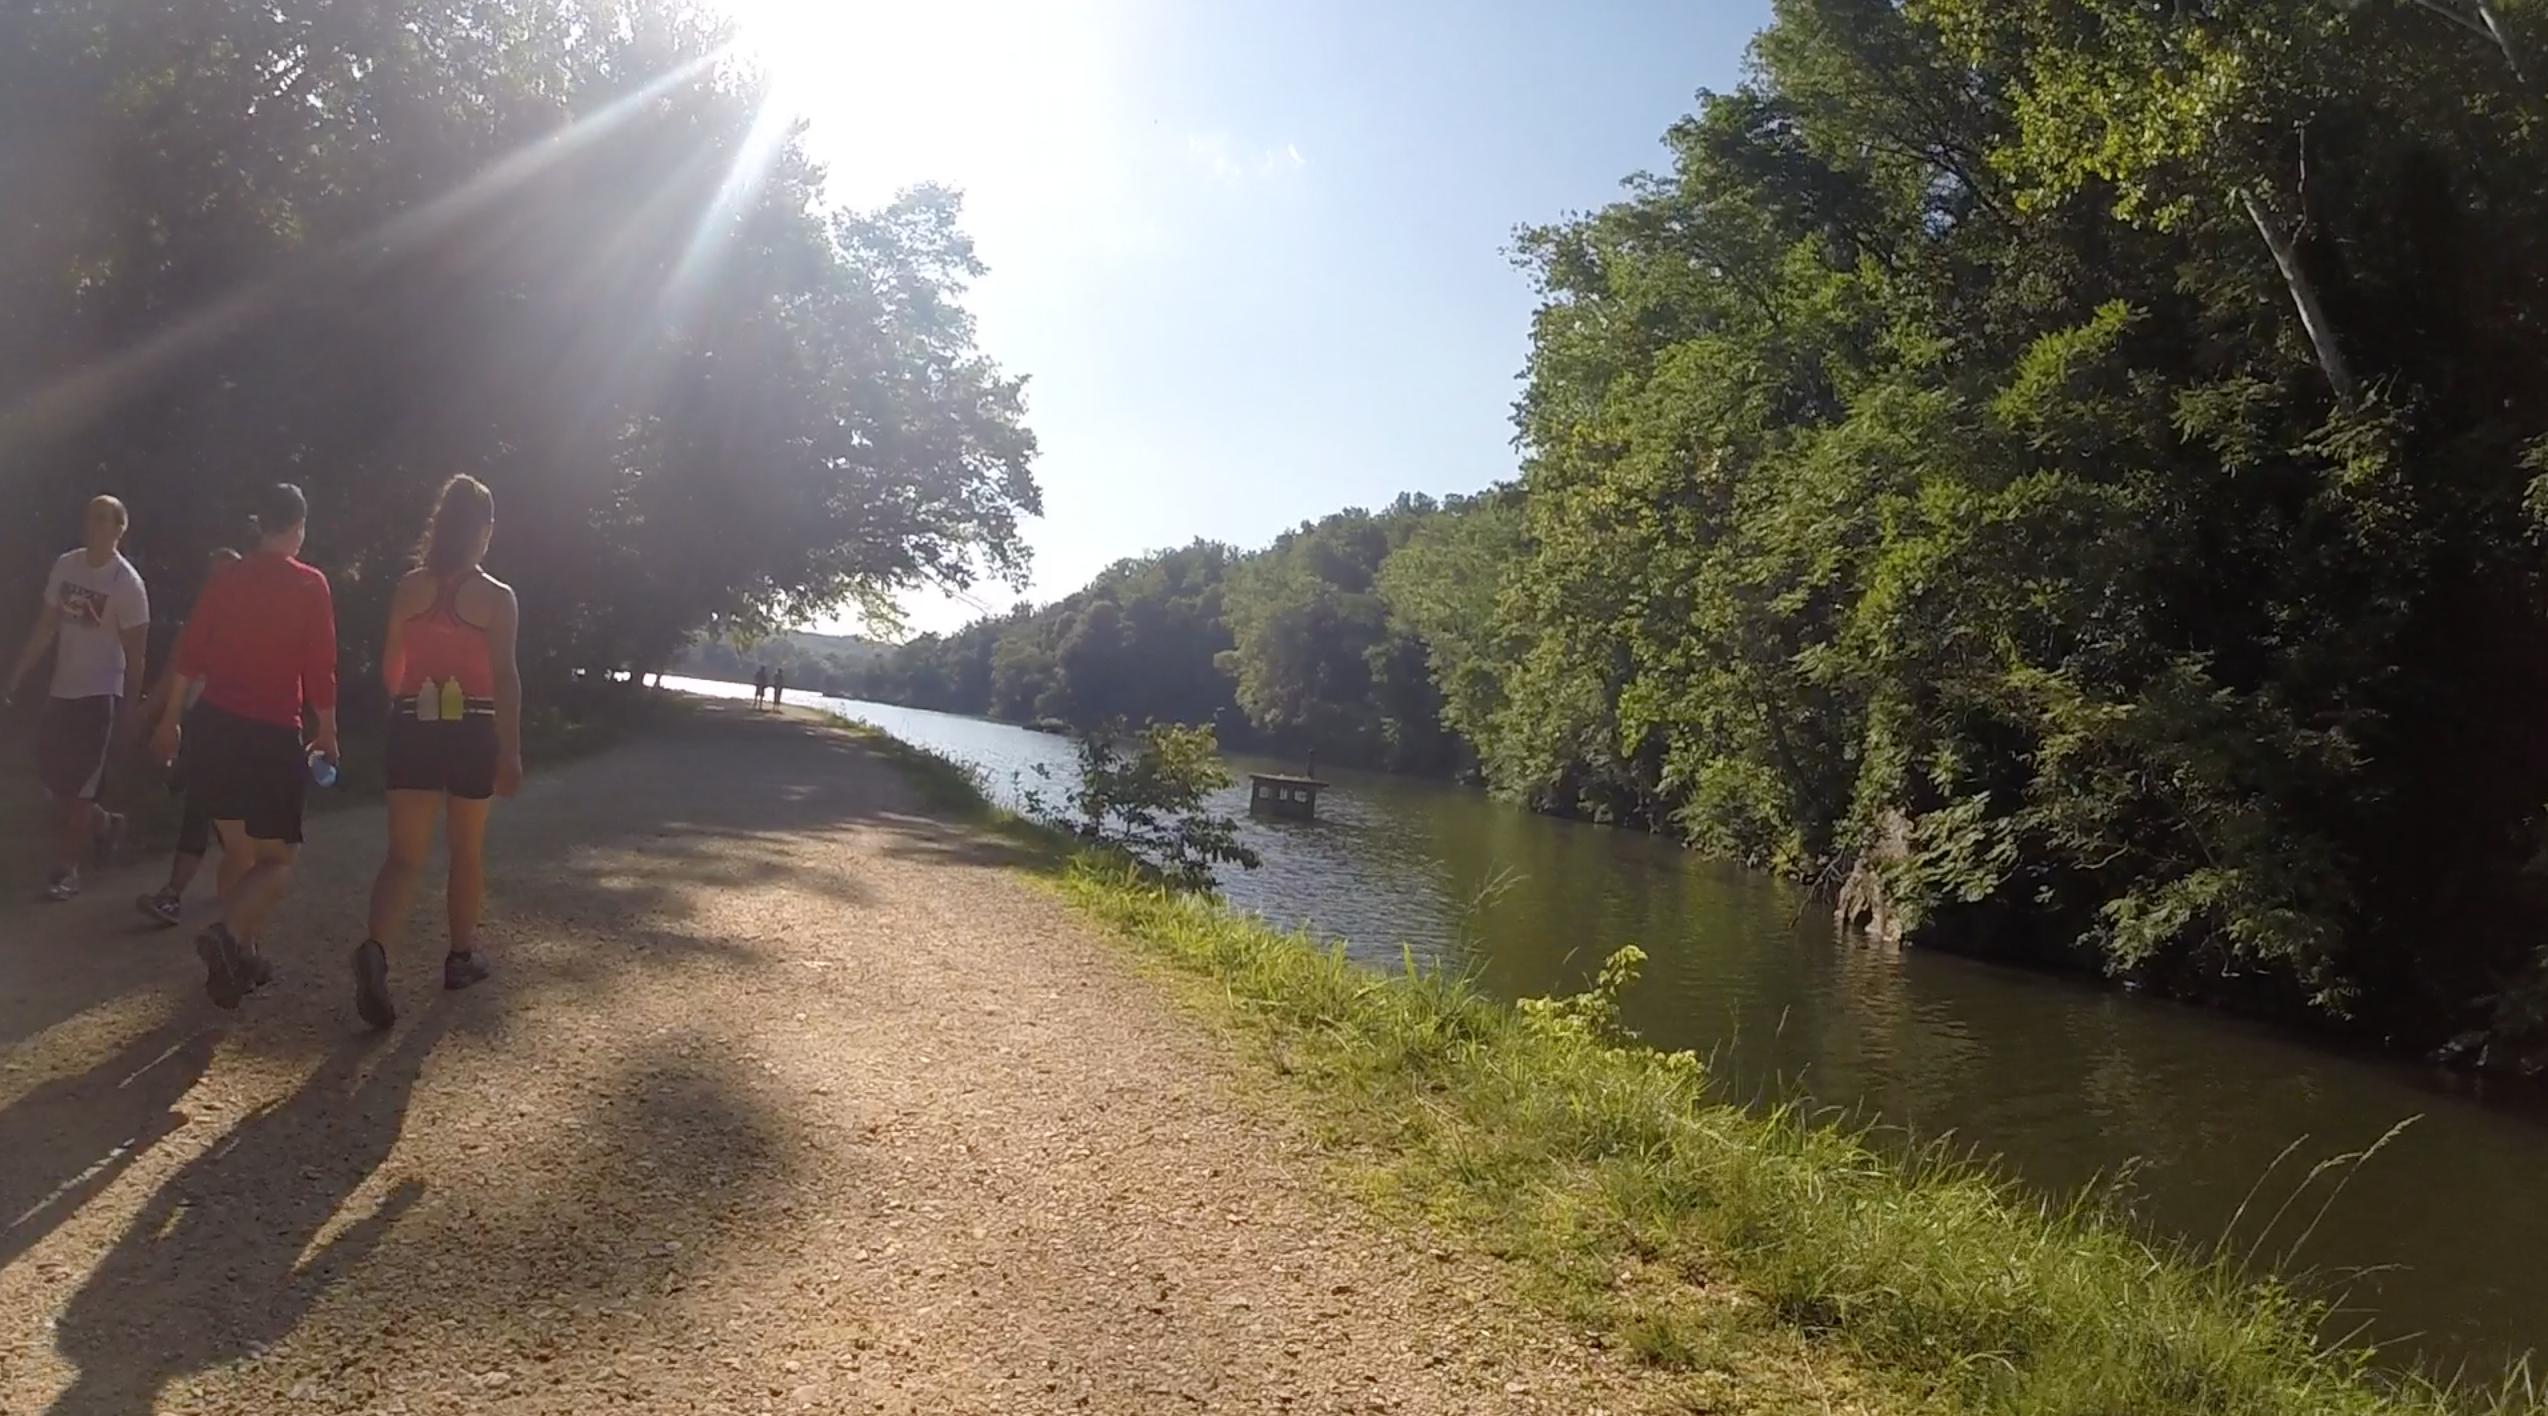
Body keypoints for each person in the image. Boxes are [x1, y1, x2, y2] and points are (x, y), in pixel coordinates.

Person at [151, 484, 338, 1009]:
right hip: (271, 734)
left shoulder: (228, 578)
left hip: (215, 730)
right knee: (277, 862)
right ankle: (229, 936)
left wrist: (170, 721)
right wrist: (327, 731)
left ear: (261, 525)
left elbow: (190, 653)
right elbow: (319, 667)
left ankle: (243, 957)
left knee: (238, 850)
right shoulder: (310, 585)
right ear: (298, 527)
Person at [352, 474, 521, 1029]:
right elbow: (504, 678)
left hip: (414, 721)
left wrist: (407, 705)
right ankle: (459, 957)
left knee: (403, 856)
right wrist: (510, 749)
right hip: (470, 726)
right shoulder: (498, 599)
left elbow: (390, 668)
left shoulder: (408, 589)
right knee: (465, 850)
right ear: (485, 531)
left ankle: (376, 950)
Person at [4, 496, 150, 902]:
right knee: (54, 781)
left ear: (121, 529)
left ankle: (67, 870)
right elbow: (46, 626)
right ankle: (107, 825)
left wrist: (133, 707)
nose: (97, 525)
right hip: (62, 690)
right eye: (92, 517)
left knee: (82, 786)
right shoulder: (67, 566)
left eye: (107, 519)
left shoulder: (127, 585)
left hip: (100, 693)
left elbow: (137, 653)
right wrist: (15, 677)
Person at [135, 547, 243, 926]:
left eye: (227, 574)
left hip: (238, 724)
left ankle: (178, 894)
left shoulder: (253, 625)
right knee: (205, 803)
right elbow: (172, 675)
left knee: (208, 804)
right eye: (214, 575)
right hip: (202, 722)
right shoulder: (196, 624)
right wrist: (154, 717)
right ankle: (211, 887)